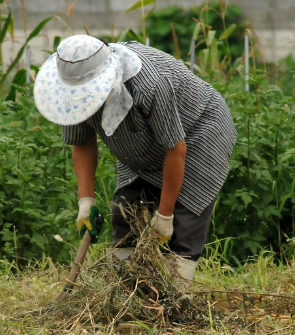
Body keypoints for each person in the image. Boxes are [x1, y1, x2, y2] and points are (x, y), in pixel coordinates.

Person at [33, 34, 236, 287]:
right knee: (124, 211)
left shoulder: (149, 84)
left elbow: (175, 149)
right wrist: (85, 202)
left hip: (198, 131)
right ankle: (126, 292)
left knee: (184, 223)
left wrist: (164, 215)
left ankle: (176, 299)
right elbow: (82, 143)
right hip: (140, 142)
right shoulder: (72, 92)